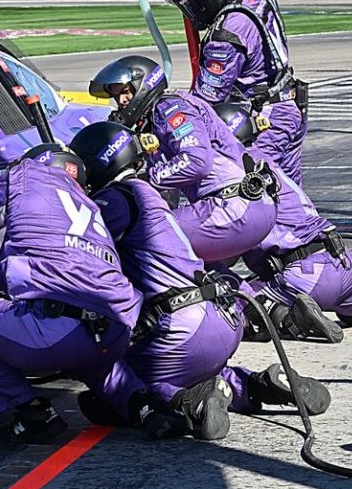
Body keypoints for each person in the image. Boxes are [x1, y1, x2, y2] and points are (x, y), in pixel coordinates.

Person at [68, 121, 330, 438]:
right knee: (182, 367)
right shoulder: (150, 195)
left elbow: (74, 254)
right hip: (221, 318)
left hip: (180, 327)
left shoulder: (114, 201)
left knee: (109, 372)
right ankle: (257, 384)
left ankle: (193, 402)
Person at [0, 144, 142, 442]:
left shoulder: (24, 176)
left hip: (55, 331)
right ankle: (146, 404)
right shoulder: (91, 205)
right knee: (94, 363)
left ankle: (30, 412)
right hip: (116, 331)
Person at [214, 102, 352, 333]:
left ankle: (290, 319)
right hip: (341, 260)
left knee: (229, 299)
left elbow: (224, 251)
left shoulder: (233, 179)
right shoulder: (266, 161)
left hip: (303, 276)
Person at [124, 0, 307, 187]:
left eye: (191, 5)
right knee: (292, 197)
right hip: (289, 104)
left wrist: (164, 120)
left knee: (260, 195)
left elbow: (205, 100)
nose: (190, 13)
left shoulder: (225, 38)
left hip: (265, 122)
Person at [90, 55, 278, 265]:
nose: (122, 102)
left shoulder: (168, 107)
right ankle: (240, 298)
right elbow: (166, 197)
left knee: (136, 238)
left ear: (142, 85)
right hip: (250, 206)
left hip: (232, 206)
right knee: (196, 262)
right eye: (117, 97)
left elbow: (197, 161)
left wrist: (141, 179)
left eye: (125, 92)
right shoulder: (156, 119)